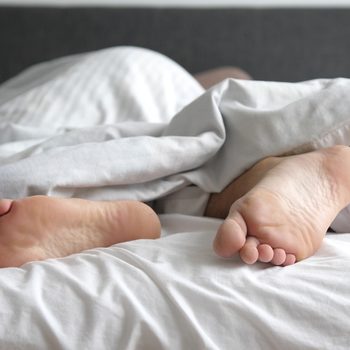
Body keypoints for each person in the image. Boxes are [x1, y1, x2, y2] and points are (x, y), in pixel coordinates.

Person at [0, 53, 349, 269]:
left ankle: (263, 174)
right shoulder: (173, 80)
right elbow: (233, 74)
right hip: (144, 76)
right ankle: (263, 174)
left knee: (183, 146)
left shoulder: (162, 76)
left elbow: (231, 75)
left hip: (134, 74)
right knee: (199, 143)